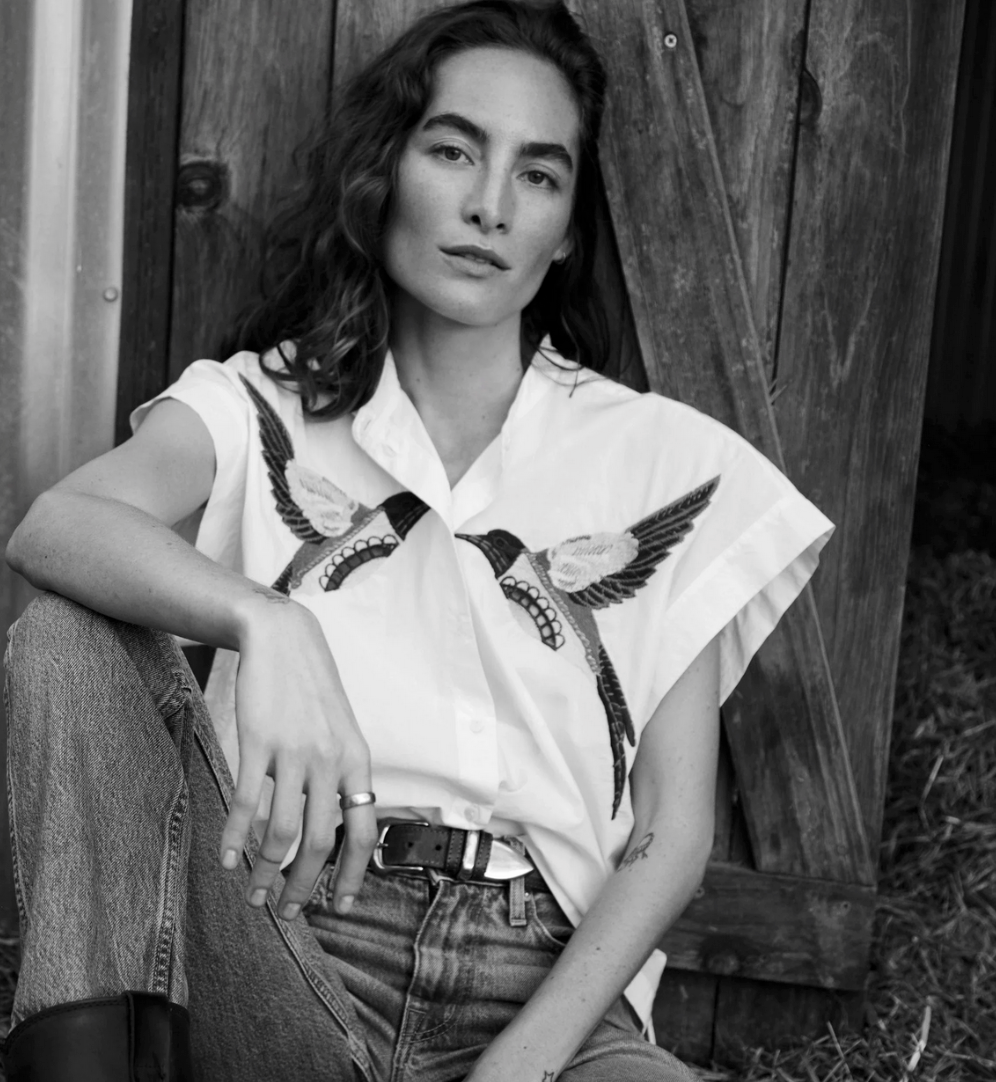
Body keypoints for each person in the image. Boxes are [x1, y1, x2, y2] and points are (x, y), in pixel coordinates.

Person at [2, 2, 834, 1079]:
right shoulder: (263, 407)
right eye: (453, 150)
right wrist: (270, 618)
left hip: (546, 996)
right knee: (69, 639)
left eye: (538, 175)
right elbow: (54, 526)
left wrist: (519, 1066)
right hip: (290, 934)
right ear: (386, 170)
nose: (490, 206)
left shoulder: (668, 461)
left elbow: (672, 837)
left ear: (568, 226)